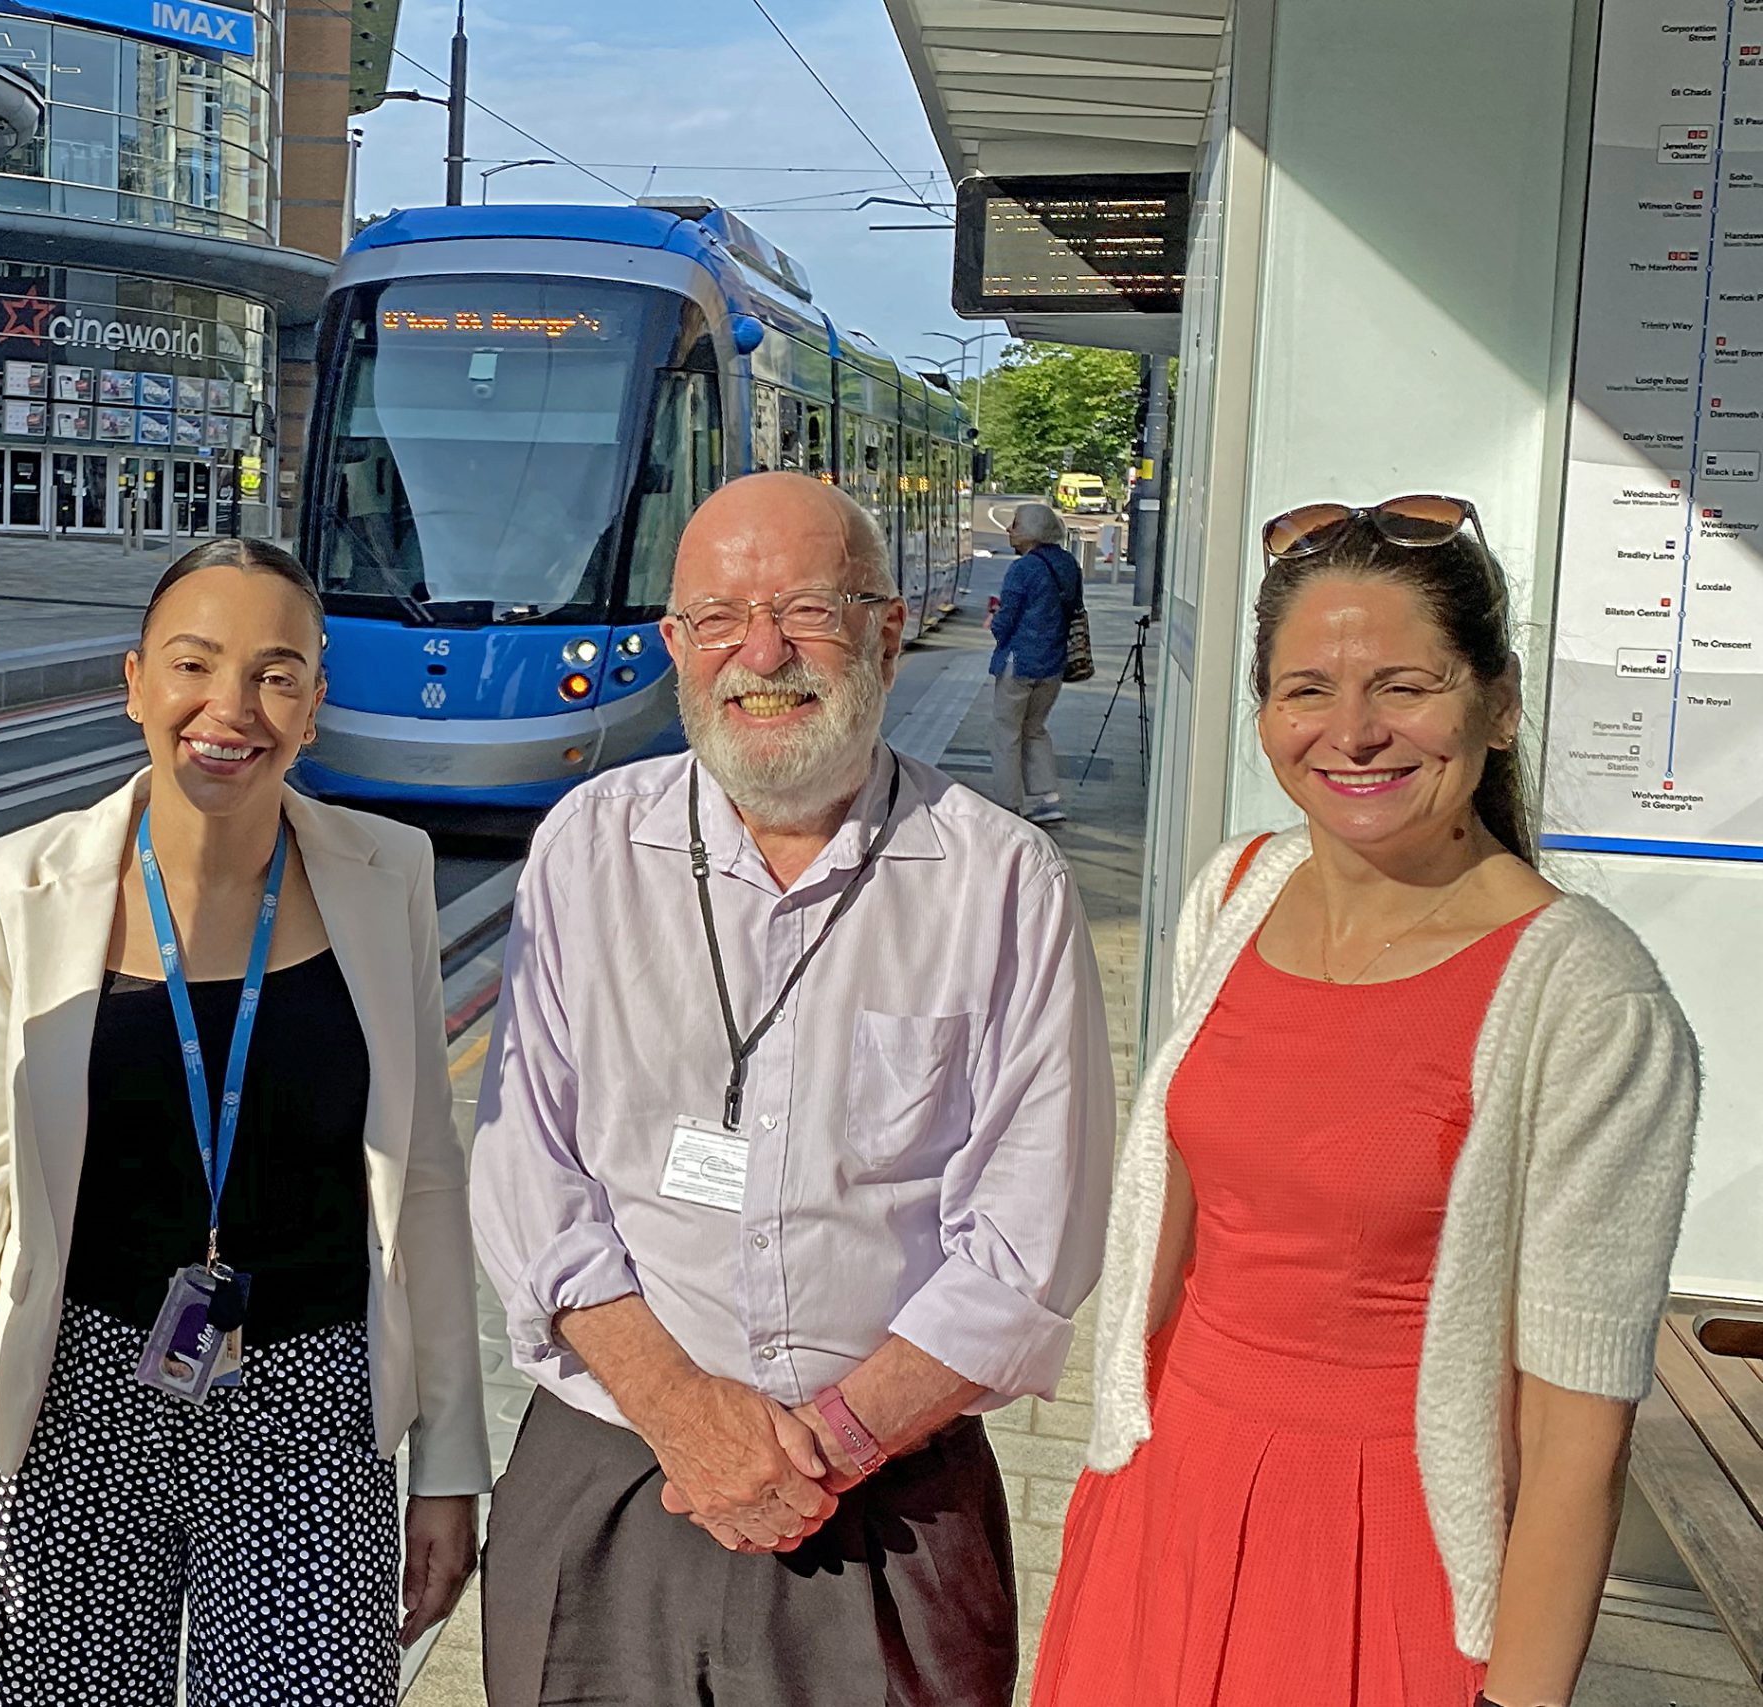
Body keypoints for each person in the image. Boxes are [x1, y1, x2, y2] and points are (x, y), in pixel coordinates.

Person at [1032, 495, 1702, 1707]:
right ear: (1264, 713)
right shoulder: (1234, 888)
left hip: (1389, 1549)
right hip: (1163, 1493)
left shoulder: (1586, 997)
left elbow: (1575, 1441)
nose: (1352, 733)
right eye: (1305, 691)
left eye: (1404, 686)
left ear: (1495, 707)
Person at [470, 471, 1116, 1707]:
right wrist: (681, 1415)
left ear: (885, 629)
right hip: (615, 1468)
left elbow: (1029, 1243)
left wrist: (818, 1449)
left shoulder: (1001, 884)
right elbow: (527, 1173)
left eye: (806, 612)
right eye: (718, 619)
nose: (759, 654)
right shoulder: (586, 849)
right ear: (673, 646)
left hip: (885, 1498)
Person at [0, 537, 490, 1706]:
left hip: (313, 1403)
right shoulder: (12, 886)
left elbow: (425, 1176)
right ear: (135, 682)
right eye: (194, 664)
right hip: (77, 1399)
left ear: (317, 703)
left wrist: (446, 1466)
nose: (228, 709)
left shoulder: (389, 873)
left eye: (276, 674)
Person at [989, 502, 1085, 824]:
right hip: (1053, 665)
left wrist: (994, 623)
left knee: (1007, 732)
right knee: (1036, 729)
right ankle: (1048, 799)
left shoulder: (1022, 569)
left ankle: (1008, 803)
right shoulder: (1069, 565)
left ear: (1030, 531)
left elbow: (1005, 621)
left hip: (1019, 664)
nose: (1009, 531)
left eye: (1015, 525)